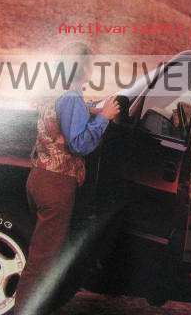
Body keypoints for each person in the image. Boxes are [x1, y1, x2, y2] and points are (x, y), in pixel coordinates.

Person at [14, 43, 120, 315]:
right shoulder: (71, 97)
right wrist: (104, 118)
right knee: (43, 261)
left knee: (40, 253)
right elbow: (80, 144)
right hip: (57, 185)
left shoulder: (57, 92)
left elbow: (69, 115)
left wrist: (93, 109)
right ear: (82, 67)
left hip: (39, 179)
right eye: (91, 64)